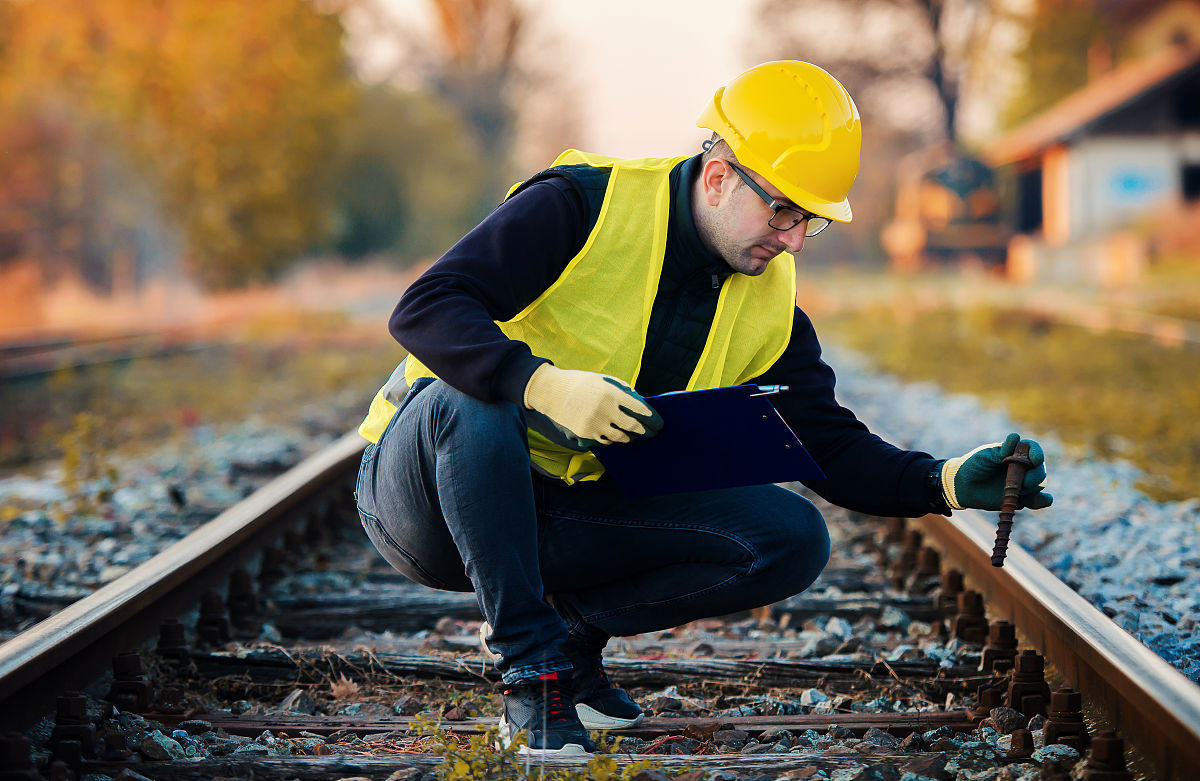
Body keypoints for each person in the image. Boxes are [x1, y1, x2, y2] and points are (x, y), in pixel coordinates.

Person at [353, 60, 1051, 756]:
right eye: (782, 209)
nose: (794, 239)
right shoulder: (581, 206)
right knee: (470, 398)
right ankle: (534, 672)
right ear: (719, 177)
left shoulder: (768, 302)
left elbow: (831, 449)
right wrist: (538, 382)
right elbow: (426, 306)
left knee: (791, 536)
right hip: (428, 503)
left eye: (809, 220)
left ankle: (567, 630)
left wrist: (944, 481)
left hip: (559, 515)